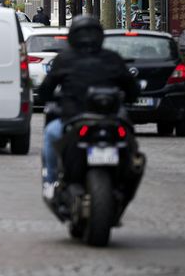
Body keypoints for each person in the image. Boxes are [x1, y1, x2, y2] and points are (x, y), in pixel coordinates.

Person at [35, 15, 140, 198]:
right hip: (111, 119)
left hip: (74, 118)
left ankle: (50, 182)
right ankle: (130, 169)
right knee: (130, 141)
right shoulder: (112, 58)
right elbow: (132, 89)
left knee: (51, 133)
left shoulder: (64, 59)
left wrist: (49, 98)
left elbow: (45, 90)